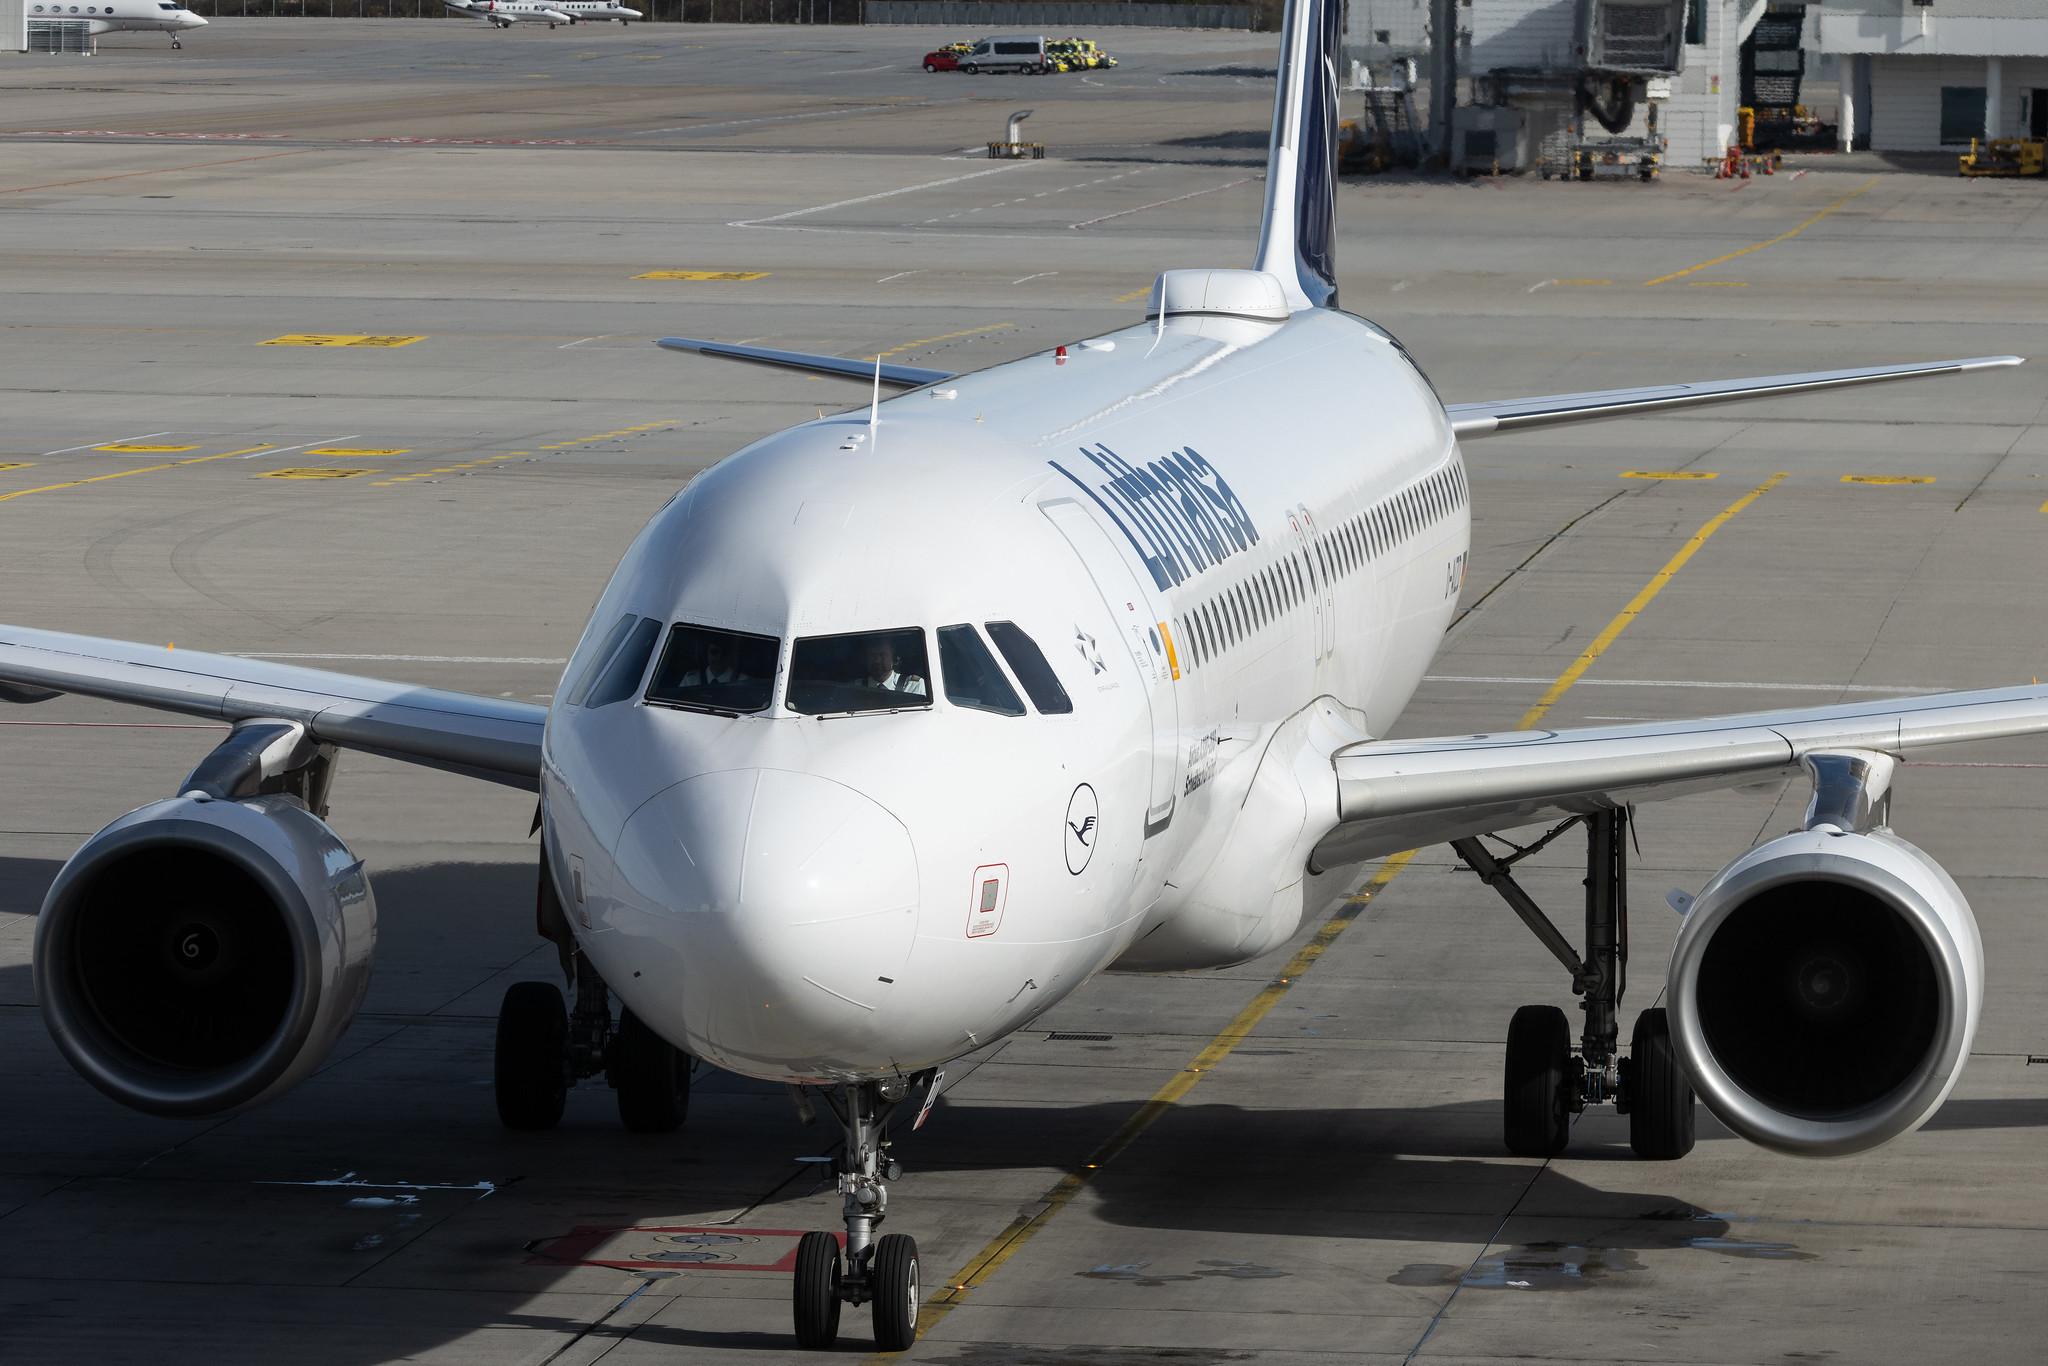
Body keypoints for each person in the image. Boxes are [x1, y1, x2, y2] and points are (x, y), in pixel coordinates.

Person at [861, 637, 926, 696]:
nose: (877, 660)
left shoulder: (913, 685)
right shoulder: (856, 687)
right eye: (872, 655)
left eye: (882, 655)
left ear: (894, 659)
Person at [678, 635, 748, 689]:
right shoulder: (690, 680)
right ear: (706, 654)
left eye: (724, 653)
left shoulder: (743, 682)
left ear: (730, 656)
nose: (719, 657)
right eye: (714, 652)